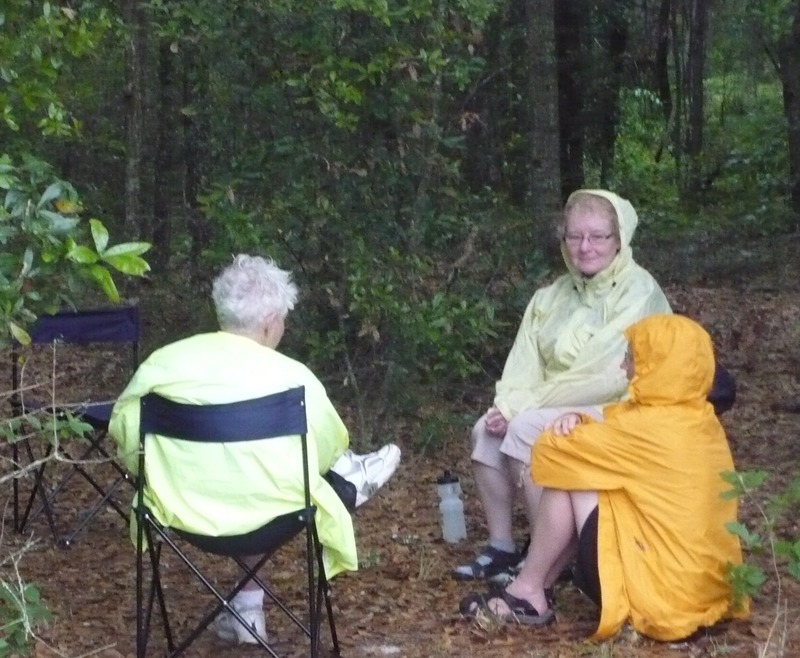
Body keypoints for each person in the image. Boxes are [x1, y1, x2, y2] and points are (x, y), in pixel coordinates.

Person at [109, 254, 401, 645]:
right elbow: (326, 452)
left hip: (179, 511)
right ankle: (352, 484)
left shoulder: (160, 366)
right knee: (291, 481)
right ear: (269, 323)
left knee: (248, 476)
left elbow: (128, 440)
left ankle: (247, 609)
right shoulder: (294, 380)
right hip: (274, 515)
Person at [460, 314, 748, 641]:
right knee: (587, 473)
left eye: (631, 358)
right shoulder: (699, 419)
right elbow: (613, 423)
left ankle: (528, 590)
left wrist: (567, 426)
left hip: (663, 598)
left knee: (570, 476)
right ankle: (532, 587)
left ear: (656, 366)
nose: (623, 366)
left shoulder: (648, 428)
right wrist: (578, 417)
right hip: (703, 591)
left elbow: (550, 453)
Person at [456, 189, 671, 582]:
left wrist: (522, 409)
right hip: (550, 402)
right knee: (484, 431)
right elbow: (523, 362)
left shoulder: (638, 292)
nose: (585, 247)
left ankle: (546, 560)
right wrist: (507, 404)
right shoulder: (551, 296)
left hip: (621, 406)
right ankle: (502, 547)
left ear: (619, 239)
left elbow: (602, 375)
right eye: (575, 236)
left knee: (526, 429)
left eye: (598, 236)